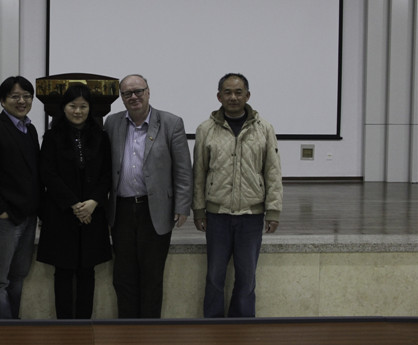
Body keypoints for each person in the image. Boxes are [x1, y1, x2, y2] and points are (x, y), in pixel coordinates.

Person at [193, 73, 282, 318]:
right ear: (219, 96)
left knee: (246, 278)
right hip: (217, 216)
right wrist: (198, 210)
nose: (233, 97)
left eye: (238, 92)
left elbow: (273, 171)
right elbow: (199, 172)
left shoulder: (264, 129)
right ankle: (213, 326)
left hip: (251, 216)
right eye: (228, 92)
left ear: (247, 95)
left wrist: (273, 210)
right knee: (214, 277)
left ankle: (242, 327)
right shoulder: (205, 129)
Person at [104, 74, 193, 318]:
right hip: (121, 210)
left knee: (152, 276)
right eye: (127, 93)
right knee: (123, 275)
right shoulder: (112, 123)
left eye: (138, 91)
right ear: (121, 97)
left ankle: (150, 329)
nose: (133, 97)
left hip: (155, 209)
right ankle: (127, 327)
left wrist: (182, 206)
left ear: (148, 91)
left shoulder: (171, 123)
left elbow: (183, 169)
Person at [37, 83, 112, 319]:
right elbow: (48, 174)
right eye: (72, 106)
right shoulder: (52, 137)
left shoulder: (101, 137)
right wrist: (74, 204)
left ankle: (84, 325)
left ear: (90, 108)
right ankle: (64, 327)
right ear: (64, 108)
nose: (78, 111)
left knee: (87, 270)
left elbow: (107, 174)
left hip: (93, 213)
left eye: (83, 106)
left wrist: (93, 202)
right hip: (61, 213)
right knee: (63, 271)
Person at [0, 76, 42, 319]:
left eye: (26, 96)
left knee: (18, 275)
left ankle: (13, 327)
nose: (22, 101)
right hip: (4, 218)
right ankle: (0, 332)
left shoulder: (29, 129)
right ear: (3, 101)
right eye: (15, 96)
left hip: (27, 215)